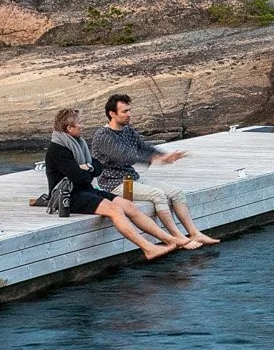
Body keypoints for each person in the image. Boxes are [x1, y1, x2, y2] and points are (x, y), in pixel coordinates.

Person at [44, 106, 188, 260]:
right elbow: (80, 177)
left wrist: (87, 168)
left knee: (128, 205)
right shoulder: (58, 150)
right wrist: (87, 170)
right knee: (115, 210)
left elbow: (98, 167)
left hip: (86, 190)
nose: (82, 125)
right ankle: (148, 248)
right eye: (80, 123)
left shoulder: (79, 144)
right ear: (69, 128)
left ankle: (169, 239)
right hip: (68, 196)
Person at [89, 93, 219, 247]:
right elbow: (124, 155)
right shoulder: (102, 136)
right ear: (112, 113)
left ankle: (194, 233)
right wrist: (154, 159)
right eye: (125, 111)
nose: (129, 114)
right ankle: (178, 237)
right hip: (113, 184)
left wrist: (165, 156)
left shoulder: (127, 130)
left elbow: (144, 147)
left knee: (176, 192)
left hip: (131, 178)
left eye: (129, 110)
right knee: (158, 195)